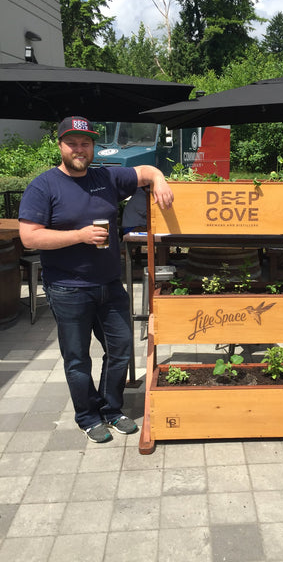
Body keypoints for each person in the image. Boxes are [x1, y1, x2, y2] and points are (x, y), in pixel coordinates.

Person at [19, 116, 173, 443]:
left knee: (120, 350)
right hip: (67, 288)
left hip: (110, 285)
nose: (79, 149)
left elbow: (145, 172)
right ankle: (87, 416)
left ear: (93, 146)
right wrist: (79, 235)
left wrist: (158, 179)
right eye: (72, 143)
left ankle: (111, 409)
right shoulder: (43, 186)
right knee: (77, 358)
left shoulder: (107, 177)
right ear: (60, 145)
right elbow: (30, 238)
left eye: (85, 143)